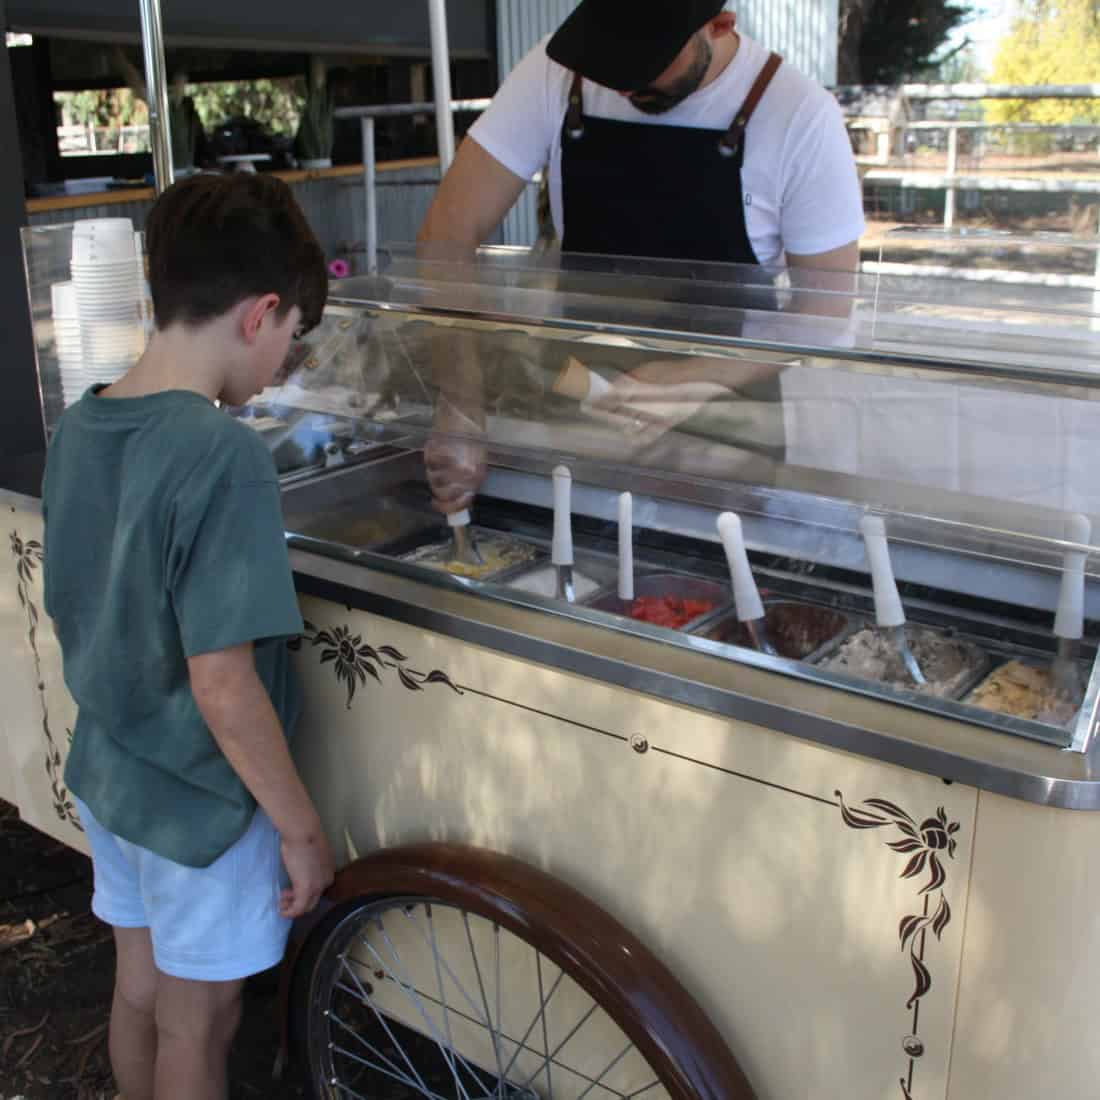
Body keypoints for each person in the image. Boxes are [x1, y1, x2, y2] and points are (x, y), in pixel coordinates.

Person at [41, 173, 334, 1100]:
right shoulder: (222, 453)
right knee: (199, 1024)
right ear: (261, 314)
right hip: (202, 806)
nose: (283, 365)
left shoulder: (82, 423)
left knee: (141, 992)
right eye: (291, 338)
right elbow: (223, 681)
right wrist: (301, 831)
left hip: (112, 775)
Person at [417, 0, 866, 515]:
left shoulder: (799, 115)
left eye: (645, 65)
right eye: (607, 63)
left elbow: (824, 311)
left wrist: (696, 377)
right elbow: (447, 236)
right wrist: (459, 405)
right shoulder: (555, 72)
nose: (623, 87)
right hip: (580, 406)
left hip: (724, 431)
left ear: (719, 26)